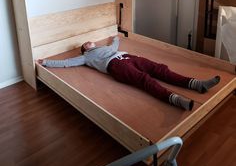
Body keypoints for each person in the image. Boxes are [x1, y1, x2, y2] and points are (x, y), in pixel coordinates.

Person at [40, 36, 221, 111]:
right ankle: (174, 99)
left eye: (90, 41)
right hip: (116, 66)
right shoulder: (86, 58)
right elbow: (66, 63)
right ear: (84, 50)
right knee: (144, 80)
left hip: (127, 56)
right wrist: (46, 62)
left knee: (160, 69)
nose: (89, 42)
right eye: (86, 44)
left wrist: (117, 35)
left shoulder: (104, 47)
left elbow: (115, 44)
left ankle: (197, 84)